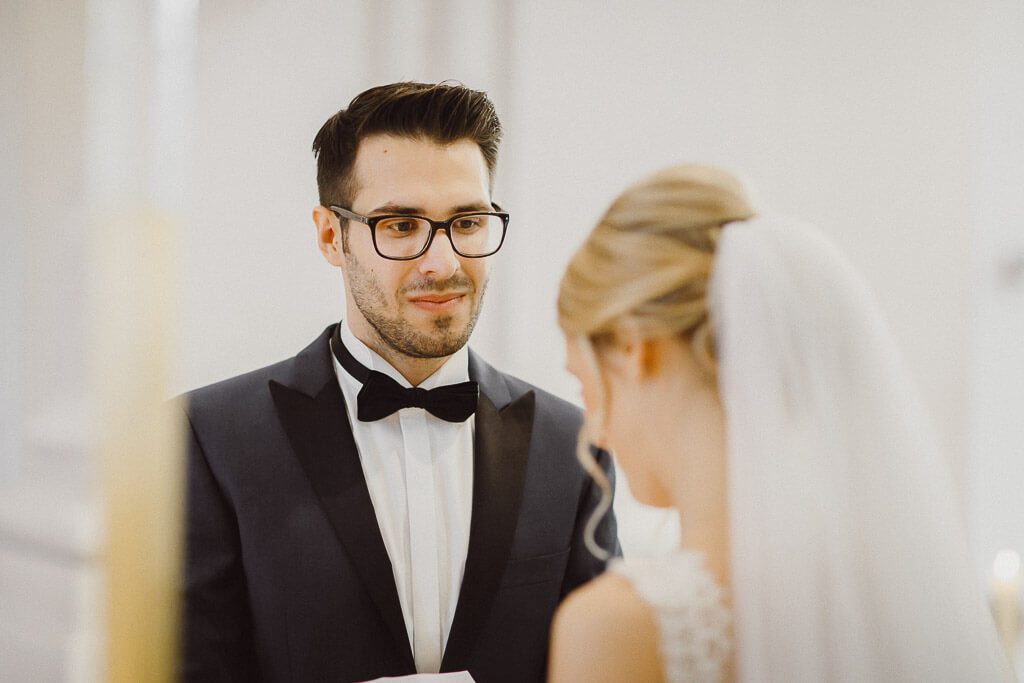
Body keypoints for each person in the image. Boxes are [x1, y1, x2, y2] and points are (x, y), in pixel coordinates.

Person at [179, 81, 619, 683]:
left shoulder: (574, 445)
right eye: (401, 225)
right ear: (332, 236)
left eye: (467, 221)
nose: (442, 263)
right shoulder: (208, 437)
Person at [547, 165, 1011, 682]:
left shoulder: (618, 629)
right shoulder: (908, 597)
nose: (595, 433)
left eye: (584, 385)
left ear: (634, 348)